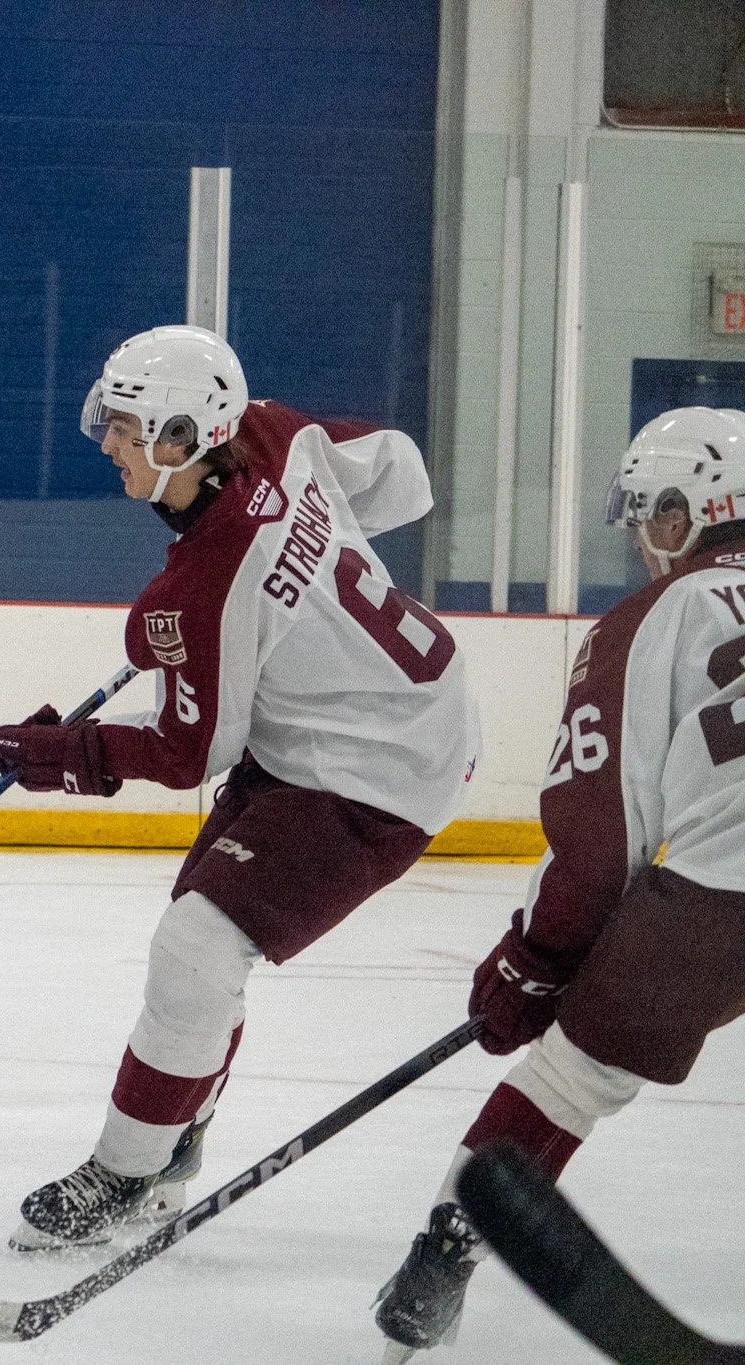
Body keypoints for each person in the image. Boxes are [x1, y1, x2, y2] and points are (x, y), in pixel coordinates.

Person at [0, 324, 479, 1249]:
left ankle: (127, 1172)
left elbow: (188, 752)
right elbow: (402, 472)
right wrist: (309, 574)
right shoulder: (272, 430)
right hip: (352, 720)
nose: (108, 442)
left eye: (127, 426)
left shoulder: (202, 585)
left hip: (381, 765)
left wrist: (63, 753)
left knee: (197, 946)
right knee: (201, 946)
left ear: (184, 437)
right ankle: (170, 1144)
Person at [371, 407, 745, 1361]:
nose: (644, 540)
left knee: (569, 1076)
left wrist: (531, 963)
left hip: (725, 890)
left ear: (688, 513)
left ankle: (439, 1268)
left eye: (651, 516)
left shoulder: (652, 619)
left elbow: (598, 843)